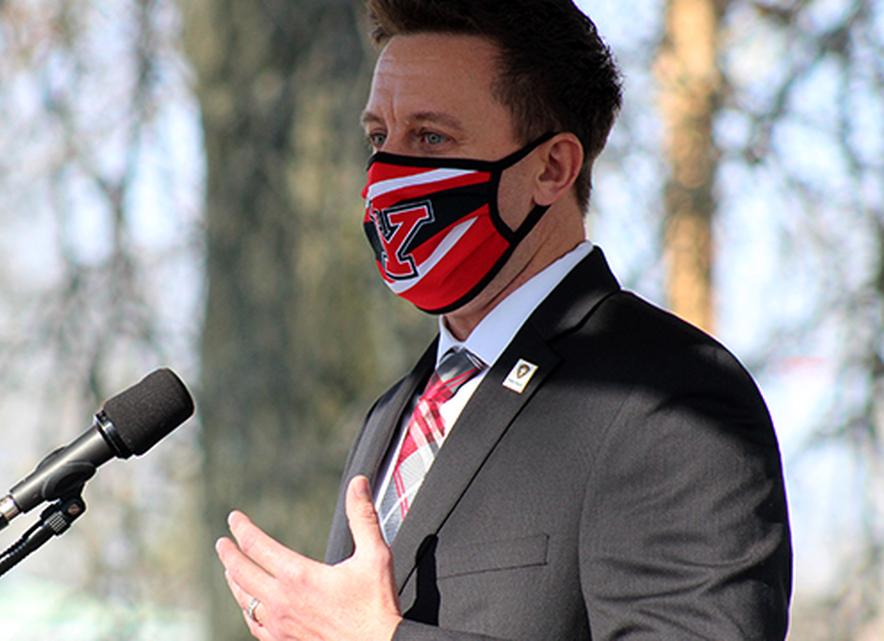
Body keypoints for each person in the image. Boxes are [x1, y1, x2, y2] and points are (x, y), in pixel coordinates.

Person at [214, 1, 793, 639]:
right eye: (379, 138)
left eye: (431, 138)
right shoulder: (393, 411)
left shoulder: (667, 394)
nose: (386, 174)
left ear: (552, 168)